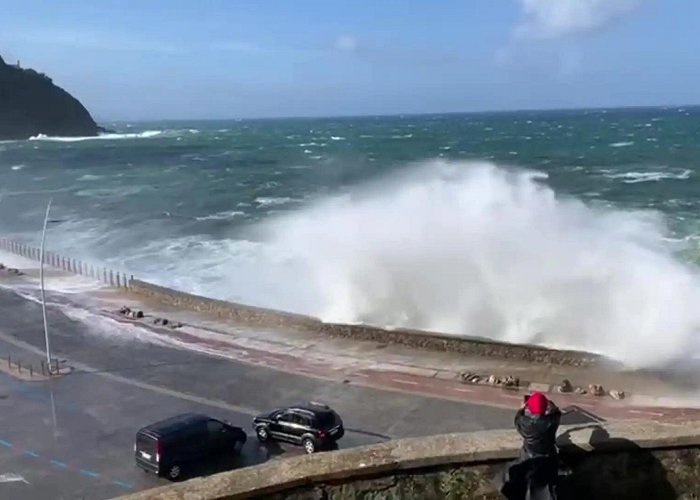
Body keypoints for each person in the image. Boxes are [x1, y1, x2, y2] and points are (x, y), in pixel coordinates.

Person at [501, 392, 562, 500]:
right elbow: (557, 412)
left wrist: (521, 409)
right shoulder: (551, 422)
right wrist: (550, 404)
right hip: (548, 457)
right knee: (547, 483)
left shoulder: (524, 423)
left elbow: (517, 419)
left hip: (528, 456)